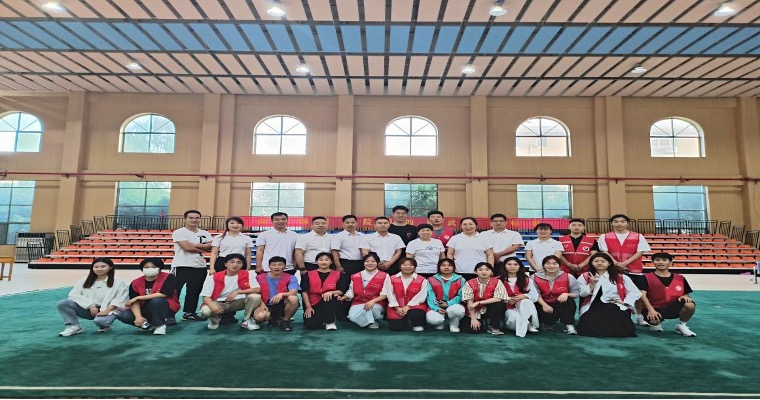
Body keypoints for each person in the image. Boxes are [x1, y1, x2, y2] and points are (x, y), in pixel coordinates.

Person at [597, 214, 651, 326]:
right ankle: (618, 315)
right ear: (612, 223)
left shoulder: (638, 236)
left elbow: (640, 252)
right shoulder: (604, 236)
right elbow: (604, 252)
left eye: (622, 221)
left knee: (638, 294)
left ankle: (639, 316)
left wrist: (625, 263)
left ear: (627, 223)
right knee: (616, 293)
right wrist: (616, 263)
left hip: (634, 270)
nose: (619, 224)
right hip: (613, 270)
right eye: (616, 221)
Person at [57, 257, 128, 337]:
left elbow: (120, 298)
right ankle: (74, 326)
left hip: (109, 310)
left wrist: (107, 310)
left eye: (103, 266)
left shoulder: (118, 281)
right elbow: (73, 295)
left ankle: (105, 325)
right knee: (63, 303)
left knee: (101, 322)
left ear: (110, 267)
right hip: (90, 309)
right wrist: (91, 305)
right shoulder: (85, 280)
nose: (99, 269)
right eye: (96, 267)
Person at [577, 252, 642, 338]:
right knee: (589, 323)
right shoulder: (585, 276)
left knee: (613, 313)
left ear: (609, 263)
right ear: (591, 263)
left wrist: (625, 302)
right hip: (592, 305)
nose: (599, 263)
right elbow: (580, 293)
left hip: (615, 304)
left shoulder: (621, 277)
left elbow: (635, 292)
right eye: (596, 261)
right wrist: (591, 285)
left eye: (603, 261)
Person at [209, 216, 255, 324]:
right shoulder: (219, 237)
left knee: (236, 287)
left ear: (242, 225)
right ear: (227, 225)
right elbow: (214, 253)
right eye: (232, 223)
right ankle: (220, 312)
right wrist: (211, 267)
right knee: (222, 287)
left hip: (239, 263)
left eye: (238, 223)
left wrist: (248, 267)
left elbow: (248, 253)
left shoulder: (246, 238)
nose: (235, 225)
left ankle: (230, 314)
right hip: (222, 263)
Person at [199, 253, 262, 331]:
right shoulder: (213, 277)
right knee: (206, 310)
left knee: (255, 297)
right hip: (219, 303)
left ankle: (247, 320)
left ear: (242, 265)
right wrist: (212, 306)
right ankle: (215, 320)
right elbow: (206, 297)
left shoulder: (248, 274)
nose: (235, 265)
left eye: (239, 262)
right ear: (225, 264)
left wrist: (238, 292)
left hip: (238, 302)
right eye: (232, 262)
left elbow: (257, 289)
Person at [640, 252, 697, 337]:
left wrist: (684, 296)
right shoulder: (645, 277)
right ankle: (655, 323)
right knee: (654, 321)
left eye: (664, 260)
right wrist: (651, 310)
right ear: (653, 262)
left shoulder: (680, 278)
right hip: (654, 308)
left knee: (690, 304)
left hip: (672, 307)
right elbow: (642, 296)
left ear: (670, 262)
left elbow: (686, 294)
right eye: (657, 260)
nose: (661, 262)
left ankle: (681, 325)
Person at [119, 258, 179, 335]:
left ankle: (159, 325)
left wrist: (138, 297)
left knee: (157, 300)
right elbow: (134, 302)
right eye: (146, 267)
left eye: (153, 267)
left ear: (159, 268)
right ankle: (146, 325)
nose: (150, 269)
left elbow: (164, 293)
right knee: (124, 315)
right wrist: (138, 316)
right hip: (144, 309)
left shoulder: (169, 277)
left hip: (165, 307)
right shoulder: (135, 283)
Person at [172, 209, 212, 322]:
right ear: (185, 219)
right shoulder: (179, 232)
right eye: (191, 218)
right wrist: (203, 248)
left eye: (196, 218)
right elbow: (187, 248)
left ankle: (189, 313)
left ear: (200, 219)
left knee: (194, 291)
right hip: (181, 265)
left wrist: (196, 245)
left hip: (200, 266)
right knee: (175, 291)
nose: (194, 220)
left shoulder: (205, 233)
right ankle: (169, 314)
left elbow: (212, 246)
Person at [532, 255, 580, 334]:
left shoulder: (568, 276)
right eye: (548, 263)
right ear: (543, 265)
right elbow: (535, 294)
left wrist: (567, 294)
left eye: (554, 263)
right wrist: (544, 305)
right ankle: (545, 323)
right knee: (534, 304)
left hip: (560, 303)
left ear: (559, 265)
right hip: (543, 304)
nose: (551, 266)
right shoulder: (534, 277)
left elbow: (576, 293)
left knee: (569, 301)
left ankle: (569, 325)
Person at [301, 252, 349, 330]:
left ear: (331, 262)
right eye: (321, 260)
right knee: (311, 325)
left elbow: (341, 290)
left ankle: (330, 321)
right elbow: (304, 291)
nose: (323, 262)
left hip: (330, 301)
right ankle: (322, 319)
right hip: (313, 302)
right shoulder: (308, 274)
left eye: (327, 260)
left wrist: (331, 292)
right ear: (316, 262)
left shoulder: (338, 274)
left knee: (331, 297)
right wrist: (308, 307)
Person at [340, 252, 388, 329]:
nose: (370, 263)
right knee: (352, 317)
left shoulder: (385, 275)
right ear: (363, 263)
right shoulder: (355, 276)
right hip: (358, 302)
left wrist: (372, 301)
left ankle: (375, 318)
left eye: (373, 261)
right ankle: (371, 321)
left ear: (377, 263)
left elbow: (384, 294)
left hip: (376, 303)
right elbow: (351, 291)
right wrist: (344, 297)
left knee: (369, 309)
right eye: (367, 261)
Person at [253, 256, 300, 332]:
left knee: (293, 298)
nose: (277, 267)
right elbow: (255, 292)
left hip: (282, 304)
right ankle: (273, 318)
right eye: (274, 265)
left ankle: (285, 321)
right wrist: (261, 304)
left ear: (285, 266)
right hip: (265, 304)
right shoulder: (259, 277)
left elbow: (294, 292)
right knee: (260, 317)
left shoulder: (291, 277)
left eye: (280, 265)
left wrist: (281, 294)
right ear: (269, 266)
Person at [460, 262, 507, 335]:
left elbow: (499, 298)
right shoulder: (469, 283)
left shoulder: (497, 282)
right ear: (476, 272)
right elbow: (470, 303)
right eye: (480, 270)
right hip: (475, 310)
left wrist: (479, 302)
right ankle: (480, 323)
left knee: (499, 304)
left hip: (489, 308)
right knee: (473, 330)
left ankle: (493, 326)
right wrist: (473, 319)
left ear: (491, 272)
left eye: (487, 270)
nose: (484, 272)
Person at [384, 257, 429, 331]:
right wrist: (397, 308)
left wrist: (408, 306)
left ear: (415, 267)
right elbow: (390, 295)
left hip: (415, 306)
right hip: (397, 307)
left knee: (417, 315)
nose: (408, 267)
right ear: (400, 266)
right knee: (396, 327)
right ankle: (406, 320)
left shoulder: (422, 280)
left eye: (411, 265)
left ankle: (416, 323)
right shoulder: (391, 278)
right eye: (404, 265)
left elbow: (421, 295)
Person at [500, 256, 539, 337]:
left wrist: (523, 296)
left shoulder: (526, 279)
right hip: (507, 307)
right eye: (509, 264)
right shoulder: (498, 280)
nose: (512, 267)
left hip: (523, 307)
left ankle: (530, 324)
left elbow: (535, 296)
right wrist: (507, 300)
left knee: (526, 301)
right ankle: (525, 326)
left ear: (519, 266)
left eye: (515, 264)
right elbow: (494, 296)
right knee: (515, 318)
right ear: (504, 266)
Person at [425, 258, 466, 332]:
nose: (446, 267)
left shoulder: (461, 279)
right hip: (436, 305)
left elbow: (461, 295)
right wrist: (436, 308)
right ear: (439, 267)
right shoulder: (431, 280)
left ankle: (454, 324)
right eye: (443, 265)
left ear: (453, 267)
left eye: (449, 265)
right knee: (433, 319)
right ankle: (439, 322)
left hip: (453, 305)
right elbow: (430, 295)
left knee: (458, 311)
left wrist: (448, 303)